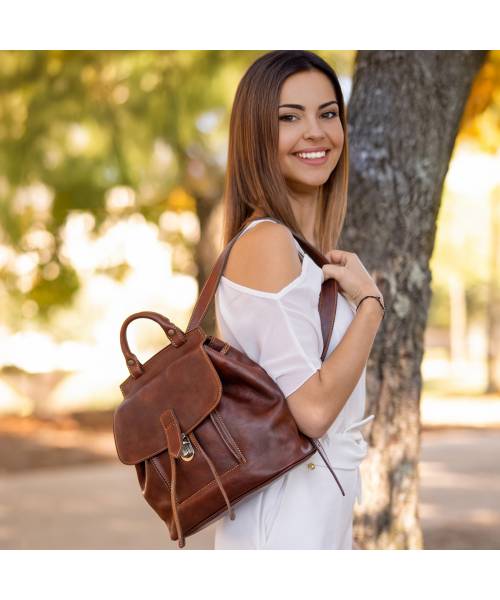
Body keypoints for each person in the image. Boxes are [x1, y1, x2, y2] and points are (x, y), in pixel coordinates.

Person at [213, 50, 385, 550]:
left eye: (328, 113)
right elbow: (311, 411)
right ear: (256, 136)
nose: (316, 132)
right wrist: (371, 307)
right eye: (289, 118)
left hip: (317, 508)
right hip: (287, 523)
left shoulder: (302, 252)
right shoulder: (266, 242)